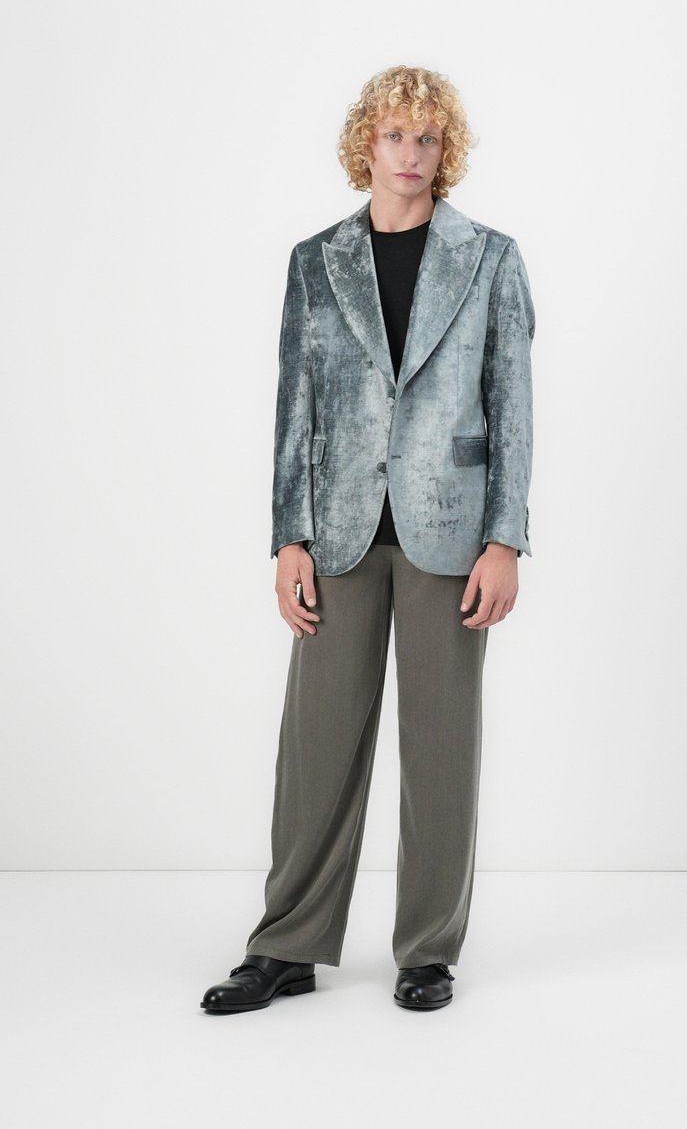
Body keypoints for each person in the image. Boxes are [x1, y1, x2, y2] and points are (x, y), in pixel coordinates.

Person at [201, 64, 535, 1014]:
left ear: (445, 150)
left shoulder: (491, 258)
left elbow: (512, 404)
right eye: (395, 135)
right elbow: (295, 407)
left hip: (451, 535)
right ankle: (287, 946)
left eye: (427, 138)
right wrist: (289, 536)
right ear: (367, 144)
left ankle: (428, 951)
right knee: (316, 745)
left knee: (441, 751)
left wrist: (505, 537)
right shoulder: (318, 261)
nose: (411, 154)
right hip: (339, 532)